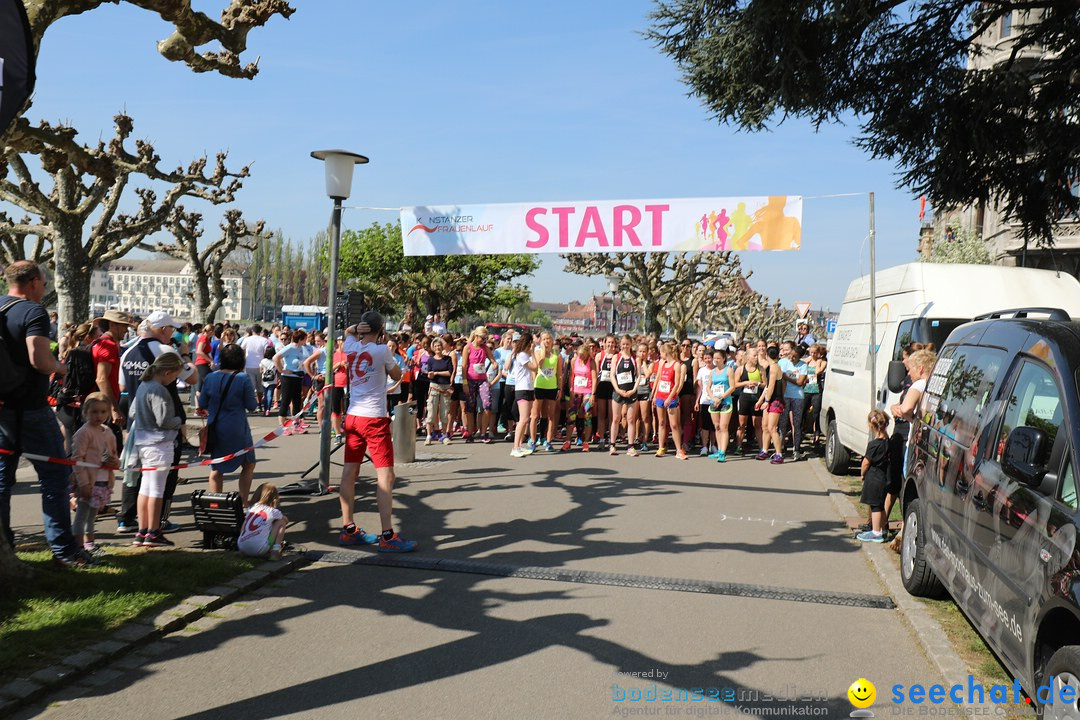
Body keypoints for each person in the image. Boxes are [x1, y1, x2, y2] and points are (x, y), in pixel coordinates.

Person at [0, 262, 90, 567]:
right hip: (30, 408)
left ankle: (6, 548)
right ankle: (64, 550)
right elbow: (39, 358)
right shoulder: (32, 311)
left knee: (2, 480)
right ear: (35, 281)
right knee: (55, 475)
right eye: (44, 280)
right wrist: (60, 367)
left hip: (2, 410)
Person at [338, 312, 416, 552]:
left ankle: (348, 528)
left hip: (353, 415)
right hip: (374, 418)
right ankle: (387, 534)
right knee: (385, 476)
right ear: (382, 330)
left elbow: (348, 333)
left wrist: (355, 328)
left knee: (350, 471)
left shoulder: (350, 345)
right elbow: (397, 376)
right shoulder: (382, 351)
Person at [116, 311, 197, 534]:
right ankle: (159, 522)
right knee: (163, 476)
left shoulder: (128, 351)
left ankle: (126, 517)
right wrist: (186, 355)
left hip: (136, 417)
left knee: (134, 472)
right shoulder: (165, 350)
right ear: (163, 330)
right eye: (171, 329)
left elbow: (122, 387)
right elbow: (192, 378)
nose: (172, 334)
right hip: (163, 422)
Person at [129, 353, 185, 547]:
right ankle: (153, 531)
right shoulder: (160, 390)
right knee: (157, 490)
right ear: (167, 372)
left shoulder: (143, 386)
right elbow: (164, 420)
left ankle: (142, 531)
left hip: (143, 442)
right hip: (160, 443)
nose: (175, 380)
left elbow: (133, 412)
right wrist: (179, 421)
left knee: (145, 488)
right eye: (175, 376)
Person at [198, 344, 258, 506]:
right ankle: (244, 503)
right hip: (237, 427)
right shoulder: (243, 378)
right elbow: (252, 406)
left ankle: (216, 503)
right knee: (248, 464)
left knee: (216, 468)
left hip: (216, 427)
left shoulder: (210, 377)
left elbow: (202, 402)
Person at [70, 393, 118, 555]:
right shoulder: (83, 433)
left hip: (103, 480)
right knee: (82, 515)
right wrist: (83, 483)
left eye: (103, 412)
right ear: (86, 412)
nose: (99, 416)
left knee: (93, 515)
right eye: (95, 412)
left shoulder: (107, 431)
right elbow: (77, 459)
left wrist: (114, 463)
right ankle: (78, 547)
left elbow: (114, 454)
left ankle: (90, 544)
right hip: (88, 482)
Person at [54, 323, 99, 454]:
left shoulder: (71, 350)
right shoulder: (84, 353)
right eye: (97, 336)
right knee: (78, 444)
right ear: (88, 338)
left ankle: (67, 470)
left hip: (65, 402)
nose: (100, 338)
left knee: (70, 439)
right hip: (76, 404)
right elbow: (85, 380)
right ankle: (72, 471)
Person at [856, 410, 892, 543]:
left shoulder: (873, 445)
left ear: (872, 426)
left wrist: (862, 473)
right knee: (881, 505)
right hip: (884, 477)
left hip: (874, 478)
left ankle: (875, 532)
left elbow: (866, 462)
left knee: (875, 506)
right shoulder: (888, 442)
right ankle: (883, 530)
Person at [650, 340, 687, 460]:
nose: (660, 355)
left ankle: (678, 450)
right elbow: (659, 379)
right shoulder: (662, 363)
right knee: (661, 422)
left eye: (661, 352)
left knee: (674, 424)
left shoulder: (676, 365)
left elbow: (676, 384)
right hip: (660, 395)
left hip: (671, 398)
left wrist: (670, 397)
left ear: (666, 353)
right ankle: (661, 447)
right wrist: (655, 395)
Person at [274, 329, 311, 434]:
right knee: (285, 400)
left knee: (297, 401)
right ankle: (283, 427)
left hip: (298, 377)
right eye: (304, 339)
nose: (306, 341)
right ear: (300, 339)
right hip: (288, 377)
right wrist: (282, 370)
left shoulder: (301, 348)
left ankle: (296, 424)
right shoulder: (289, 347)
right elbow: (276, 357)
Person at [462, 326, 496, 443]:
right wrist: (465, 382)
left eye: (485, 338)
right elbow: (464, 366)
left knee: (487, 404)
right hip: (470, 379)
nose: (483, 340)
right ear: (476, 337)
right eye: (482, 338)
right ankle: (470, 433)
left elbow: (492, 360)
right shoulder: (468, 348)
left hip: (482, 380)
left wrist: (494, 364)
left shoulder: (485, 348)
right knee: (470, 407)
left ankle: (483, 433)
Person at [238, 483, 288, 560]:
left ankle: (247, 548)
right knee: (281, 522)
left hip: (242, 546)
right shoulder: (273, 511)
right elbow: (286, 520)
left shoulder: (251, 509)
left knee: (247, 523)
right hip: (260, 548)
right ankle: (276, 550)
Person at [777, 342, 810, 461]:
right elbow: (779, 377)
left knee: (796, 423)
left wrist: (787, 377)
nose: (791, 357)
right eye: (791, 355)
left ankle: (796, 449)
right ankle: (779, 448)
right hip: (785, 395)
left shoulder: (803, 365)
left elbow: (800, 382)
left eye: (795, 356)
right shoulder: (783, 362)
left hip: (797, 396)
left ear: (800, 357)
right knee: (782, 423)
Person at [562, 342, 596, 452]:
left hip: (587, 391)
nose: (580, 357)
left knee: (587, 416)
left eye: (582, 355)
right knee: (571, 416)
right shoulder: (574, 361)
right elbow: (572, 376)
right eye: (579, 354)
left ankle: (585, 442)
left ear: (587, 354)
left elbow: (595, 379)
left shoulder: (591, 363)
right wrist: (571, 390)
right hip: (576, 391)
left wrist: (593, 394)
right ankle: (568, 441)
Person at [609, 335, 640, 456]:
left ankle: (631, 446)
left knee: (631, 419)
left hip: (631, 391)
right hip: (618, 391)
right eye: (623, 344)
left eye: (627, 344)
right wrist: (617, 389)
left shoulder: (635, 358)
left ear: (631, 344)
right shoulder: (616, 357)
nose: (625, 346)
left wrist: (633, 390)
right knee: (616, 418)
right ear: (620, 345)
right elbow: (612, 375)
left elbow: (638, 376)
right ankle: (612, 445)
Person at [532, 331, 562, 453]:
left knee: (551, 416)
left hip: (551, 387)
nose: (547, 341)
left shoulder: (557, 355)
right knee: (535, 415)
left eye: (549, 339)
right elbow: (540, 364)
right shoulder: (537, 352)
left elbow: (559, 374)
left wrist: (559, 388)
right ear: (541, 341)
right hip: (539, 386)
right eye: (544, 339)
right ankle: (533, 441)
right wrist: (544, 351)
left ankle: (548, 441)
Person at [508, 332, 537, 458]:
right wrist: (534, 353)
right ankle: (515, 447)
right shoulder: (522, 355)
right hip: (522, 389)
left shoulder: (524, 355)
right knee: (524, 418)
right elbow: (535, 367)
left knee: (526, 418)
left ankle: (519, 445)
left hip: (528, 387)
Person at [704, 348, 736, 462]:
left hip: (725, 401)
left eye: (718, 358)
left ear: (724, 359)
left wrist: (721, 397)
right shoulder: (712, 372)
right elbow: (708, 387)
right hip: (714, 402)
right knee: (716, 426)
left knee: (724, 427)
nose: (716, 360)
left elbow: (732, 387)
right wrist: (713, 398)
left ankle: (723, 451)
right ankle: (718, 450)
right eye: (715, 358)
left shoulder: (729, 370)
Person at [755, 345, 785, 464]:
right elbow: (767, 387)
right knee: (765, 426)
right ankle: (764, 450)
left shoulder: (774, 367)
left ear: (767, 355)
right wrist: (761, 400)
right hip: (769, 400)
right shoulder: (770, 367)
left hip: (775, 401)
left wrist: (767, 402)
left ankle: (779, 454)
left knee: (772, 428)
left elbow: (771, 385)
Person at [734, 348, 764, 456]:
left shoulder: (761, 369)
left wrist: (757, 384)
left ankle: (762, 448)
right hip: (744, 398)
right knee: (742, 424)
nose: (756, 357)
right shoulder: (741, 369)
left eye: (757, 356)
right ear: (748, 357)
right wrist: (746, 383)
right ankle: (738, 446)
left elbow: (766, 384)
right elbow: (735, 384)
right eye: (754, 356)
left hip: (756, 399)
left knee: (758, 425)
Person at [424, 338, 454, 444]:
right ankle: (428, 435)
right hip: (434, 387)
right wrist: (432, 374)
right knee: (431, 411)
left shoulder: (448, 359)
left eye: (439, 345)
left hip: (445, 387)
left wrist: (436, 373)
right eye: (436, 346)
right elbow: (428, 372)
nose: (438, 348)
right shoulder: (431, 359)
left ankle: (445, 435)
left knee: (444, 412)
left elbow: (449, 372)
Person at [593, 335, 617, 450]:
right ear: (605, 343)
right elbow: (596, 373)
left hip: (613, 386)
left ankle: (611, 440)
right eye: (609, 342)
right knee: (601, 414)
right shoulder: (599, 356)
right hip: (602, 386)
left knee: (612, 415)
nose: (611, 345)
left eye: (613, 343)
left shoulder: (617, 356)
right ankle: (601, 438)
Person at [240, 324, 270, 408]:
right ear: (260, 331)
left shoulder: (247, 339)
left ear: (252, 330)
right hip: (261, 365)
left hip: (249, 365)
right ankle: (259, 403)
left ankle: (252, 404)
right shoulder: (264, 340)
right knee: (260, 386)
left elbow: (242, 349)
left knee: (251, 387)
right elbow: (266, 352)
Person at [804, 343, 828, 448]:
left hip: (816, 389)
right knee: (802, 411)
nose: (813, 355)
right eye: (811, 353)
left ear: (819, 353)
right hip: (806, 389)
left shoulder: (822, 362)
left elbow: (818, 372)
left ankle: (816, 434)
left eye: (815, 353)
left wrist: (817, 363)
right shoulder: (807, 361)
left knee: (816, 413)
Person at [694, 347, 716, 456]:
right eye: (705, 358)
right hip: (704, 400)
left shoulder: (717, 369)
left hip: (715, 401)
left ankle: (713, 445)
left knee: (714, 425)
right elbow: (699, 387)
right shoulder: (701, 370)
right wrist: (697, 401)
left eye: (709, 358)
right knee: (705, 425)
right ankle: (704, 446)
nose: (707, 360)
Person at [634, 341, 654, 453]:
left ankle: (645, 441)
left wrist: (644, 363)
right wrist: (637, 363)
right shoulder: (634, 361)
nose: (642, 354)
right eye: (640, 351)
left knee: (645, 417)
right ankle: (636, 437)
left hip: (645, 391)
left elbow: (647, 374)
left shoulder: (650, 363)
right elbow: (635, 374)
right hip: (634, 391)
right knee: (634, 417)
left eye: (644, 352)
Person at [259, 346, 278, 417]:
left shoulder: (263, 361)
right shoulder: (275, 361)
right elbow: (278, 371)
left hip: (264, 380)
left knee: (265, 394)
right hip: (272, 380)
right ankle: (268, 410)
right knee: (270, 395)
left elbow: (260, 371)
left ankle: (265, 409)